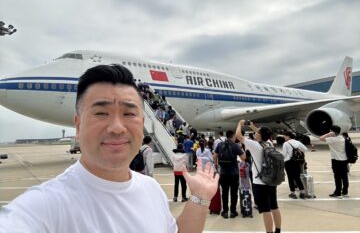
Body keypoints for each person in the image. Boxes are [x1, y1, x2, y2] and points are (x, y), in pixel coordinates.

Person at [0, 64, 219, 233]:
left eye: (129, 113)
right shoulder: (45, 205)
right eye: (101, 113)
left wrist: (199, 197)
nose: (116, 127)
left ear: (142, 121)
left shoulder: (151, 189)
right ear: (78, 125)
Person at [236, 120, 281, 233]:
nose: (255, 133)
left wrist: (240, 124)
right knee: (274, 207)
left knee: (266, 211)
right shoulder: (269, 144)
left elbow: (238, 136)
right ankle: (278, 230)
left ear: (259, 135)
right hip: (271, 181)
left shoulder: (254, 145)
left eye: (257, 132)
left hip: (260, 182)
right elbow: (264, 134)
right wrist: (253, 127)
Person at [214, 130, 246, 219]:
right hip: (234, 173)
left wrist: (216, 165)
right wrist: (240, 148)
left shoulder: (220, 145)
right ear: (233, 137)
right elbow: (243, 158)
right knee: (233, 193)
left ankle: (225, 211)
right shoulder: (235, 145)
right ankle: (233, 211)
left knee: (224, 192)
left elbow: (215, 155)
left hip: (223, 173)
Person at [319, 125, 349, 197]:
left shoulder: (334, 140)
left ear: (333, 132)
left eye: (330, 131)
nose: (329, 132)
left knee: (337, 177)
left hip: (337, 160)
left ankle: (337, 192)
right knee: (344, 176)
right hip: (344, 160)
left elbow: (321, 138)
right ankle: (345, 191)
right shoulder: (342, 138)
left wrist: (329, 134)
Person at [282, 131, 308, 199]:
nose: (283, 137)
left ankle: (293, 193)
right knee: (297, 177)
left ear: (288, 136)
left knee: (290, 178)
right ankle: (302, 192)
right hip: (297, 162)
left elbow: (284, 154)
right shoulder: (297, 142)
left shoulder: (286, 143)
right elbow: (305, 149)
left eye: (284, 136)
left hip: (288, 162)